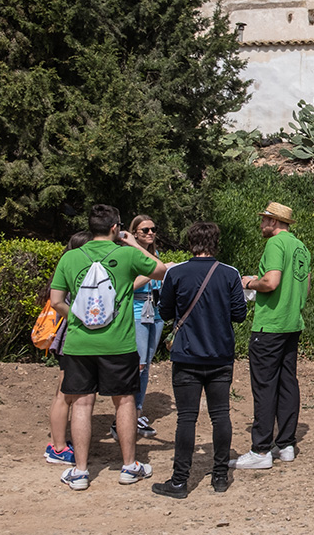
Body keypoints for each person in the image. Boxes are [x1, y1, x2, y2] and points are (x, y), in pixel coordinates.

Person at [48, 204, 166, 490]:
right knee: (124, 400)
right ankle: (129, 466)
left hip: (79, 344)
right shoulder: (126, 254)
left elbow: (56, 301)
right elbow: (161, 270)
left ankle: (79, 471)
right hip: (119, 343)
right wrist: (131, 242)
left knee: (82, 403)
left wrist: (77, 319)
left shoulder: (72, 257)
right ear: (116, 228)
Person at [151, 222, 248, 498]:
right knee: (221, 415)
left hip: (187, 354)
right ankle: (219, 476)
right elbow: (239, 314)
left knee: (186, 418)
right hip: (220, 354)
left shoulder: (177, 272)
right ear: (216, 242)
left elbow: (166, 311)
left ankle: (180, 481)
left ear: (189, 242)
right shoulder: (229, 274)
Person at [234, 202, 311, 470]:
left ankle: (261, 448)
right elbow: (306, 284)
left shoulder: (275, 245)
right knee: (288, 382)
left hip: (270, 324)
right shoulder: (301, 246)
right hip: (292, 322)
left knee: (264, 386)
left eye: (264, 220)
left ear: (274, 222)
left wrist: (249, 283)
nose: (261, 224)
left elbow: (271, 282)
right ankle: (286, 443)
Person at [43, 231, 92, 467]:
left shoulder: (67, 268)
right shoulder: (78, 272)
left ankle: (58, 443)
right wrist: (78, 319)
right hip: (70, 335)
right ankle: (58, 447)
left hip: (66, 335)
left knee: (63, 393)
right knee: (65, 393)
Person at [128, 215, 165, 439]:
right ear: (134, 234)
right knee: (139, 363)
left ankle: (137, 410)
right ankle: (129, 413)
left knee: (148, 361)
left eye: (153, 229)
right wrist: (153, 271)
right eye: (144, 230)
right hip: (136, 311)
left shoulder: (155, 255)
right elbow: (128, 286)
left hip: (155, 311)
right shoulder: (129, 255)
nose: (150, 233)